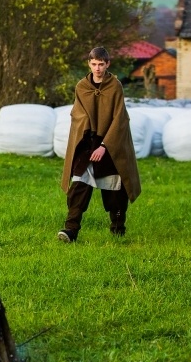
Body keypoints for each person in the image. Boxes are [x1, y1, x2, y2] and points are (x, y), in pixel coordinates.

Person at [58, 47, 141, 242]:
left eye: (101, 64)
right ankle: (71, 230)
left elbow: (120, 118)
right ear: (89, 64)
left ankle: (117, 229)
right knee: (79, 185)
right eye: (94, 64)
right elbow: (77, 113)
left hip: (110, 143)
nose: (97, 68)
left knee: (115, 188)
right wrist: (88, 133)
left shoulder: (115, 86)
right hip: (87, 142)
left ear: (107, 64)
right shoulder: (82, 86)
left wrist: (104, 145)